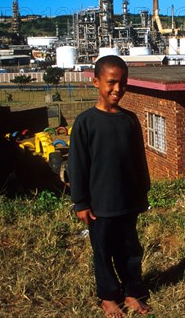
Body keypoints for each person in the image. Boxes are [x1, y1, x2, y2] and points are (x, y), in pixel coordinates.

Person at [69, 55, 151, 317]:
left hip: (128, 201)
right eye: (112, 82)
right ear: (96, 82)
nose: (118, 89)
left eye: (123, 83)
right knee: (103, 253)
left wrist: (143, 192)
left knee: (130, 252)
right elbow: (77, 166)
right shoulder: (85, 122)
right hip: (100, 205)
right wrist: (81, 202)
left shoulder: (129, 120)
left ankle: (130, 292)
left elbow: (139, 159)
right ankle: (107, 297)